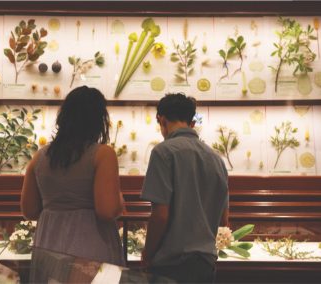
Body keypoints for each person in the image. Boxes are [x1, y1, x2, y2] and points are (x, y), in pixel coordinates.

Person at [21, 86, 125, 266]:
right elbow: (107, 210)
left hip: (48, 246)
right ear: (99, 119)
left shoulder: (40, 156)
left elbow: (29, 210)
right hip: (91, 245)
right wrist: (120, 201)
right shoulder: (103, 154)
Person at [141, 93, 229, 283]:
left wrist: (147, 254)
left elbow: (160, 215)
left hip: (171, 266)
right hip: (206, 265)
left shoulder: (163, 152)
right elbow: (224, 220)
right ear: (192, 122)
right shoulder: (216, 159)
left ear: (161, 119)